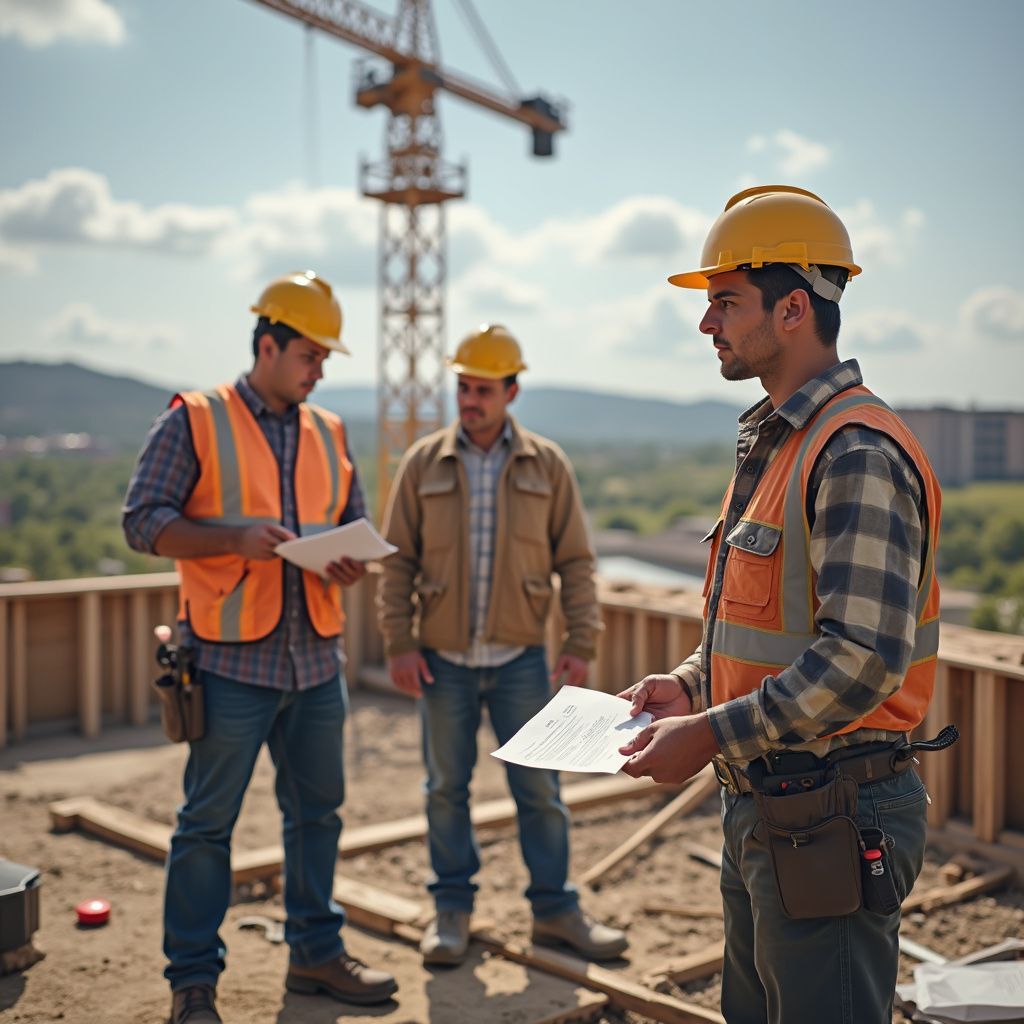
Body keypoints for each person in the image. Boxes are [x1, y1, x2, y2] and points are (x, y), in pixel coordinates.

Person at [617, 187, 945, 1024]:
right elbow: (766, 617)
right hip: (770, 800)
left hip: (834, 808)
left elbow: (862, 659)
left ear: (794, 306)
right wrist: (691, 687)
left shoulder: (854, 450)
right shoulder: (780, 440)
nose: (707, 324)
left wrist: (707, 733)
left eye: (725, 301)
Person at [123, 271, 398, 1024]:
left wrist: (346, 562)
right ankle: (193, 983)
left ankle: (315, 953)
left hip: (314, 659)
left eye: (324, 360)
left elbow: (351, 520)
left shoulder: (330, 430)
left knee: (318, 814)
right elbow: (142, 521)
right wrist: (235, 539)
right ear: (268, 344)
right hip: (229, 658)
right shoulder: (195, 419)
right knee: (207, 824)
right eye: (309, 355)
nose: (318, 371)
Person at [376, 324, 628, 966]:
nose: (469, 400)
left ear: (512, 391)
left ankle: (555, 911)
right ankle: (451, 911)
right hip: (440, 661)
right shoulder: (422, 464)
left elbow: (576, 562)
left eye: (483, 389)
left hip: (521, 659)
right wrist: (400, 642)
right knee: (444, 789)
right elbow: (396, 563)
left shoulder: (547, 466)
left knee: (539, 790)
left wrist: (580, 642)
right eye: (463, 387)